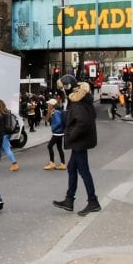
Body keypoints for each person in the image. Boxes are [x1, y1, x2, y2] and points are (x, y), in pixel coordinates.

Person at [52, 80, 101, 216]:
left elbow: (83, 123)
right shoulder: (83, 101)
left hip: (79, 142)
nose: (62, 90)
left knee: (84, 171)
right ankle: (69, 200)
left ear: (68, 87)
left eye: (63, 87)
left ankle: (93, 202)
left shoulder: (77, 103)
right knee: (72, 168)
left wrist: (71, 136)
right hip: (81, 142)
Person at [0, 98, 20, 171]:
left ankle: (15, 164)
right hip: (8, 132)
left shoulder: (0, 114)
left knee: (7, 149)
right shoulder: (7, 112)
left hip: (3, 134)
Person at [43, 98, 67, 170]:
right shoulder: (57, 111)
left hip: (57, 133)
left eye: (49, 104)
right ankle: (63, 164)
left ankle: (52, 163)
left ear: (51, 105)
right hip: (60, 132)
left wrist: (53, 128)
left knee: (49, 146)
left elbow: (58, 122)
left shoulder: (55, 112)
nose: (48, 105)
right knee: (59, 148)